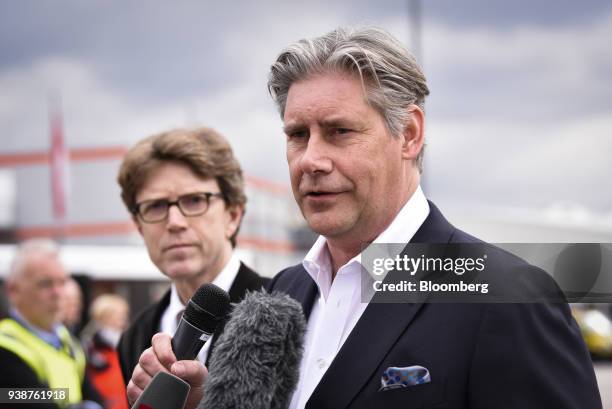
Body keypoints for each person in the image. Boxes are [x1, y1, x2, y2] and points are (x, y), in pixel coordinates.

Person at [126, 27, 603, 409]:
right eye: (297, 135)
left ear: (410, 134)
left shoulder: (506, 297)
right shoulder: (278, 296)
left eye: (339, 132)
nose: (311, 158)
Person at [117, 127, 268, 401]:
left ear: (233, 215)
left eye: (195, 200)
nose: (174, 222)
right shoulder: (133, 336)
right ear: (139, 227)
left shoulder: (285, 307)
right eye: (155, 206)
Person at [0, 239, 103, 409]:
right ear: (13, 290)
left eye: (62, 282)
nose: (57, 293)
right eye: (45, 284)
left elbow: (93, 397)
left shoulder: (67, 340)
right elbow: (13, 396)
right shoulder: (6, 344)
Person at [82, 294, 130, 409]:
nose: (122, 318)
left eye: (124, 314)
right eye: (117, 314)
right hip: (102, 402)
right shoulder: (90, 345)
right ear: (103, 316)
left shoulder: (127, 341)